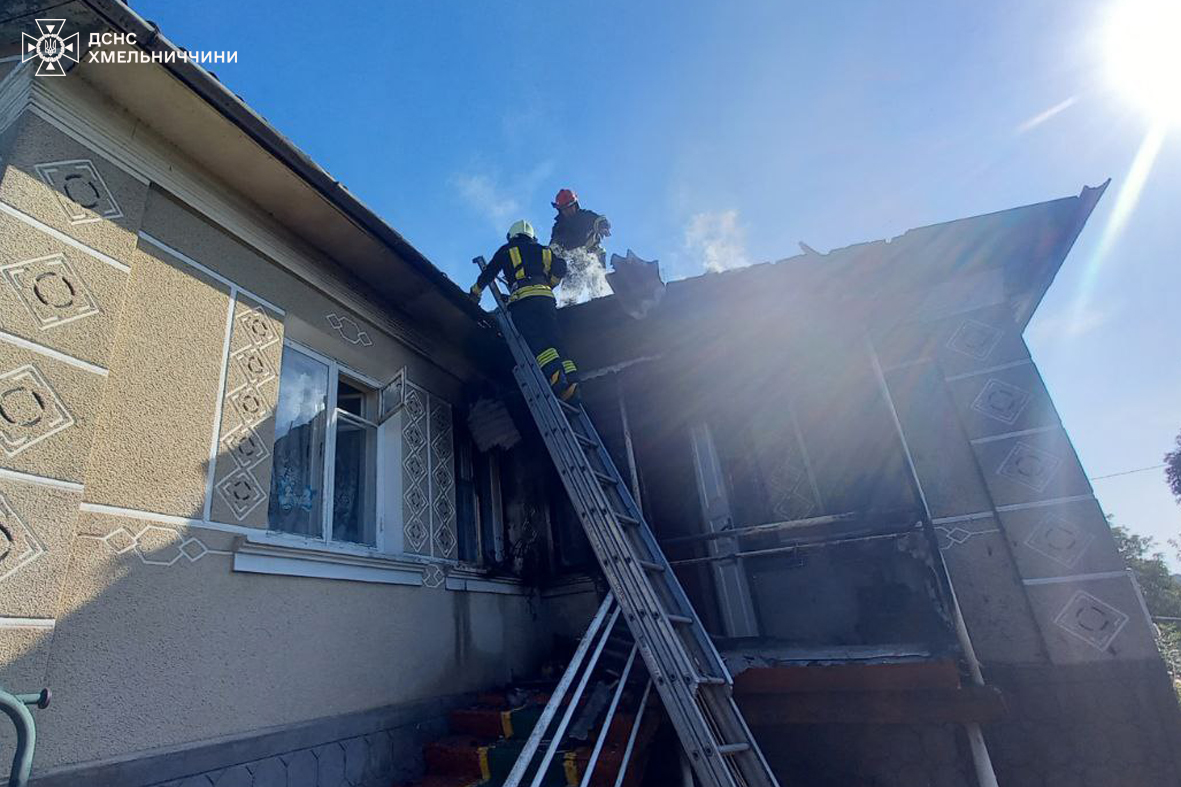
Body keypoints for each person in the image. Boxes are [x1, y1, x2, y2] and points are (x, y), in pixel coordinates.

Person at [470, 219, 581, 402]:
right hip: (546, 299)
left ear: (512, 235)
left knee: (535, 338)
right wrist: (550, 283)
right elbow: (561, 267)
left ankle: (555, 377)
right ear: (532, 236)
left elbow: (489, 272)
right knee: (554, 337)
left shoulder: (507, 249)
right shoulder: (544, 250)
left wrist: (475, 292)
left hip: (523, 300)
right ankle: (572, 380)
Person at [549, 189, 611, 266]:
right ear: (560, 210)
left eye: (571, 206)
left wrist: (603, 226)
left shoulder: (585, 216)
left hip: (594, 256)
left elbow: (599, 220)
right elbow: (553, 246)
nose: (568, 211)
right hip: (574, 262)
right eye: (565, 209)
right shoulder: (558, 228)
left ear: (576, 204)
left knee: (596, 275)